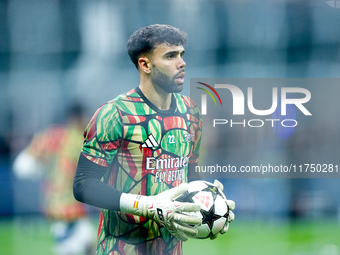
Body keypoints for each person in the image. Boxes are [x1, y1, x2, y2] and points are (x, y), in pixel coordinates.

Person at [73, 24, 235, 255]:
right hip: (120, 248)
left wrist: (211, 201)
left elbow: (187, 174)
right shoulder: (114, 114)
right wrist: (147, 205)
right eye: (170, 56)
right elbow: (83, 185)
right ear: (145, 64)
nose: (182, 63)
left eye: (182, 54)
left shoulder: (190, 112)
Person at [13, 103, 95, 255]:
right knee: (71, 247)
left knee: (89, 242)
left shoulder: (48, 135)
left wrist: (44, 170)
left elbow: (21, 167)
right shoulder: (78, 138)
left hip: (54, 203)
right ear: (76, 118)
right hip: (68, 207)